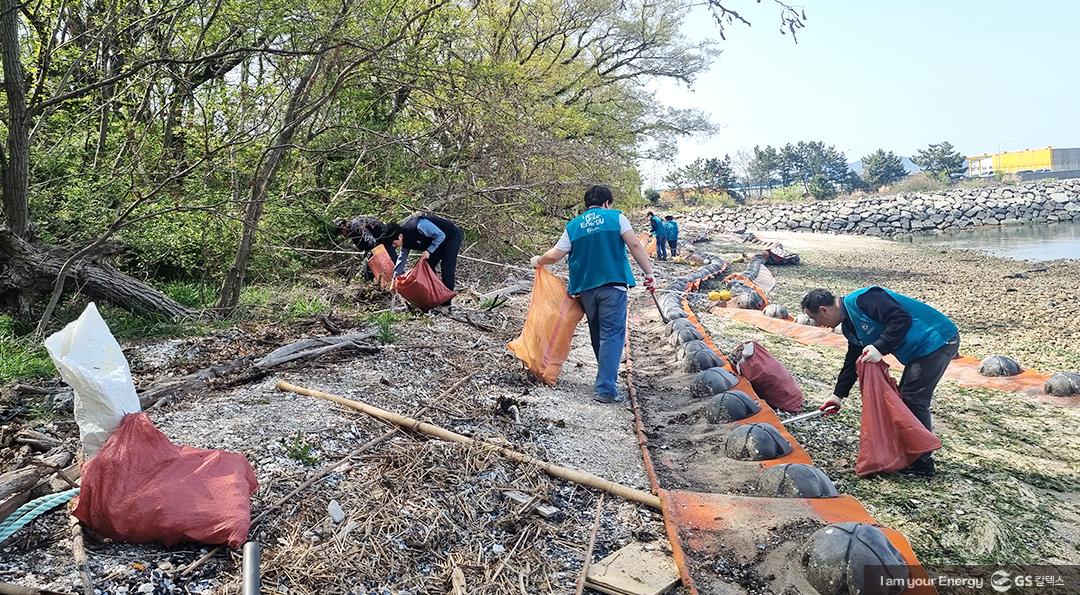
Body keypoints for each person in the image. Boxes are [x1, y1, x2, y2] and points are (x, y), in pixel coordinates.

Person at [800, 287, 960, 477]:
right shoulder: (850, 325)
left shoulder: (863, 299)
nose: (819, 325)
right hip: (919, 350)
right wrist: (838, 395)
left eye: (815, 318)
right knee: (905, 398)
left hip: (937, 340)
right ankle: (909, 454)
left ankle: (922, 462)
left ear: (824, 310)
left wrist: (879, 347)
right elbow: (853, 359)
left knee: (913, 399)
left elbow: (901, 318)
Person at [531, 185, 655, 403]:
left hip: (586, 290)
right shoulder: (615, 217)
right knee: (612, 335)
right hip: (612, 286)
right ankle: (606, 389)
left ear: (586, 204)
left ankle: (605, 379)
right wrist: (649, 273)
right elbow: (634, 244)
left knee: (597, 333)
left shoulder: (574, 226)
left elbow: (556, 254)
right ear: (607, 203)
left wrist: (538, 261)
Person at [383, 213, 464, 294]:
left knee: (447, 267)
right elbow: (402, 259)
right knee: (428, 266)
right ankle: (435, 294)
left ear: (400, 236)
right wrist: (394, 280)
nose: (394, 246)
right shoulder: (404, 243)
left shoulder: (419, 225)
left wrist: (429, 250)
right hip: (437, 243)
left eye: (394, 243)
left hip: (451, 237)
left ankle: (447, 302)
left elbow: (440, 235)